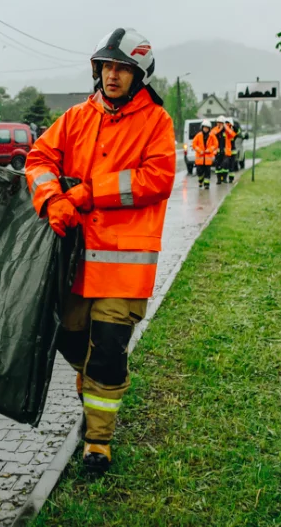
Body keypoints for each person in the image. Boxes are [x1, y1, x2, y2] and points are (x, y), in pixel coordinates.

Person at [25, 28, 176, 473]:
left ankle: (97, 442)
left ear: (139, 75)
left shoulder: (157, 123)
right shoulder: (76, 117)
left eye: (122, 69)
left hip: (123, 269)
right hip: (74, 264)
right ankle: (92, 382)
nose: (112, 75)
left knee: (107, 353)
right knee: (68, 338)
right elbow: (38, 159)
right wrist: (51, 199)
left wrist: (90, 193)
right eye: (107, 66)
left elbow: (157, 178)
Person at [192, 119, 217, 190]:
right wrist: (199, 150)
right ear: (202, 128)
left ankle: (206, 185)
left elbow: (215, 144)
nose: (205, 129)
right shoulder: (198, 135)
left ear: (209, 129)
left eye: (207, 128)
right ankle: (200, 181)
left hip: (208, 159)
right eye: (204, 128)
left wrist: (209, 150)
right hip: (199, 159)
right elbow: (194, 144)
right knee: (199, 172)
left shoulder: (212, 136)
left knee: (207, 172)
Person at [225, 118, 238, 182]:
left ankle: (231, 178)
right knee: (226, 165)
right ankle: (225, 178)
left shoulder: (232, 131)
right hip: (227, 151)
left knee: (231, 166)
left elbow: (237, 132)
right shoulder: (226, 131)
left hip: (232, 151)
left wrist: (232, 126)